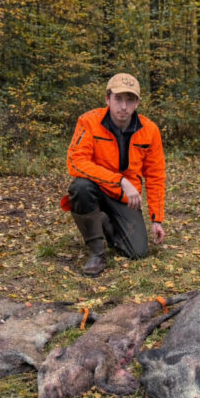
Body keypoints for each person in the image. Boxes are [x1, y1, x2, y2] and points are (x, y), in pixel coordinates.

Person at [60, 73, 166, 277]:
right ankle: (97, 253)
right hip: (96, 189)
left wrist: (157, 218)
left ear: (137, 103)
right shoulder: (89, 122)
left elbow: (155, 175)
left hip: (126, 198)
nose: (123, 106)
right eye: (118, 99)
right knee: (80, 187)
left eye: (130, 100)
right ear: (107, 99)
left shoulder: (150, 130)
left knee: (137, 252)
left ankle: (104, 222)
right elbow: (76, 162)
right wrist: (120, 181)